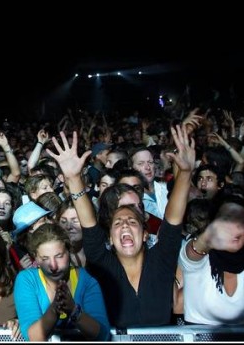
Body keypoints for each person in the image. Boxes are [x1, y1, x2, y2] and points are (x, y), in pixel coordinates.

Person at [46, 125, 195, 328]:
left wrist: (185, 173)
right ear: (109, 237)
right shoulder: (102, 264)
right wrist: (73, 179)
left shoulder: (162, 259)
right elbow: (89, 224)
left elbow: (173, 220)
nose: (125, 225)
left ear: (145, 235)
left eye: (133, 221)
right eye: (118, 223)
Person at [14, 223, 110, 341]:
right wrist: (55, 309)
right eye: (45, 258)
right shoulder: (27, 280)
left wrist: (74, 310)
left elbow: (103, 335)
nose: (53, 266)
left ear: (69, 251)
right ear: (36, 258)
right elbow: (33, 338)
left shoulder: (86, 281)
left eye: (59, 256)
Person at [178, 194, 244, 324]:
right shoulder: (201, 255)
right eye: (227, 221)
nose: (233, 228)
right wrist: (209, 237)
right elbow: (190, 256)